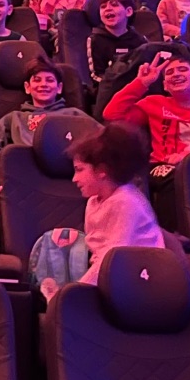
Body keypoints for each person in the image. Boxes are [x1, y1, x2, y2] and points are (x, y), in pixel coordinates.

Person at [102, 48, 190, 206]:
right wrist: (141, 83)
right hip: (164, 168)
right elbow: (112, 114)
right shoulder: (154, 103)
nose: (176, 74)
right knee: (176, 179)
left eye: (183, 69)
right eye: (170, 73)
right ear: (165, 85)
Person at [68, 123, 168, 288]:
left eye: (79, 170)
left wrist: (79, 289)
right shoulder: (93, 202)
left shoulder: (126, 201)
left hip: (143, 280)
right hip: (113, 277)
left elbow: (113, 258)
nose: (74, 179)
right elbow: (100, 257)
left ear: (102, 170)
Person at [0, 59, 85, 157]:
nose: (43, 84)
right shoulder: (14, 118)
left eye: (49, 80)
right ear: (27, 87)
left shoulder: (74, 115)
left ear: (59, 88)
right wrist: (8, 165)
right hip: (25, 167)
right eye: (37, 80)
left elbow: (95, 141)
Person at [86, 0, 144, 87]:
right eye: (103, 6)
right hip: (107, 89)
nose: (108, 9)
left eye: (114, 5)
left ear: (128, 11)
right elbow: (96, 75)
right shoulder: (95, 40)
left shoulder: (139, 40)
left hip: (135, 88)